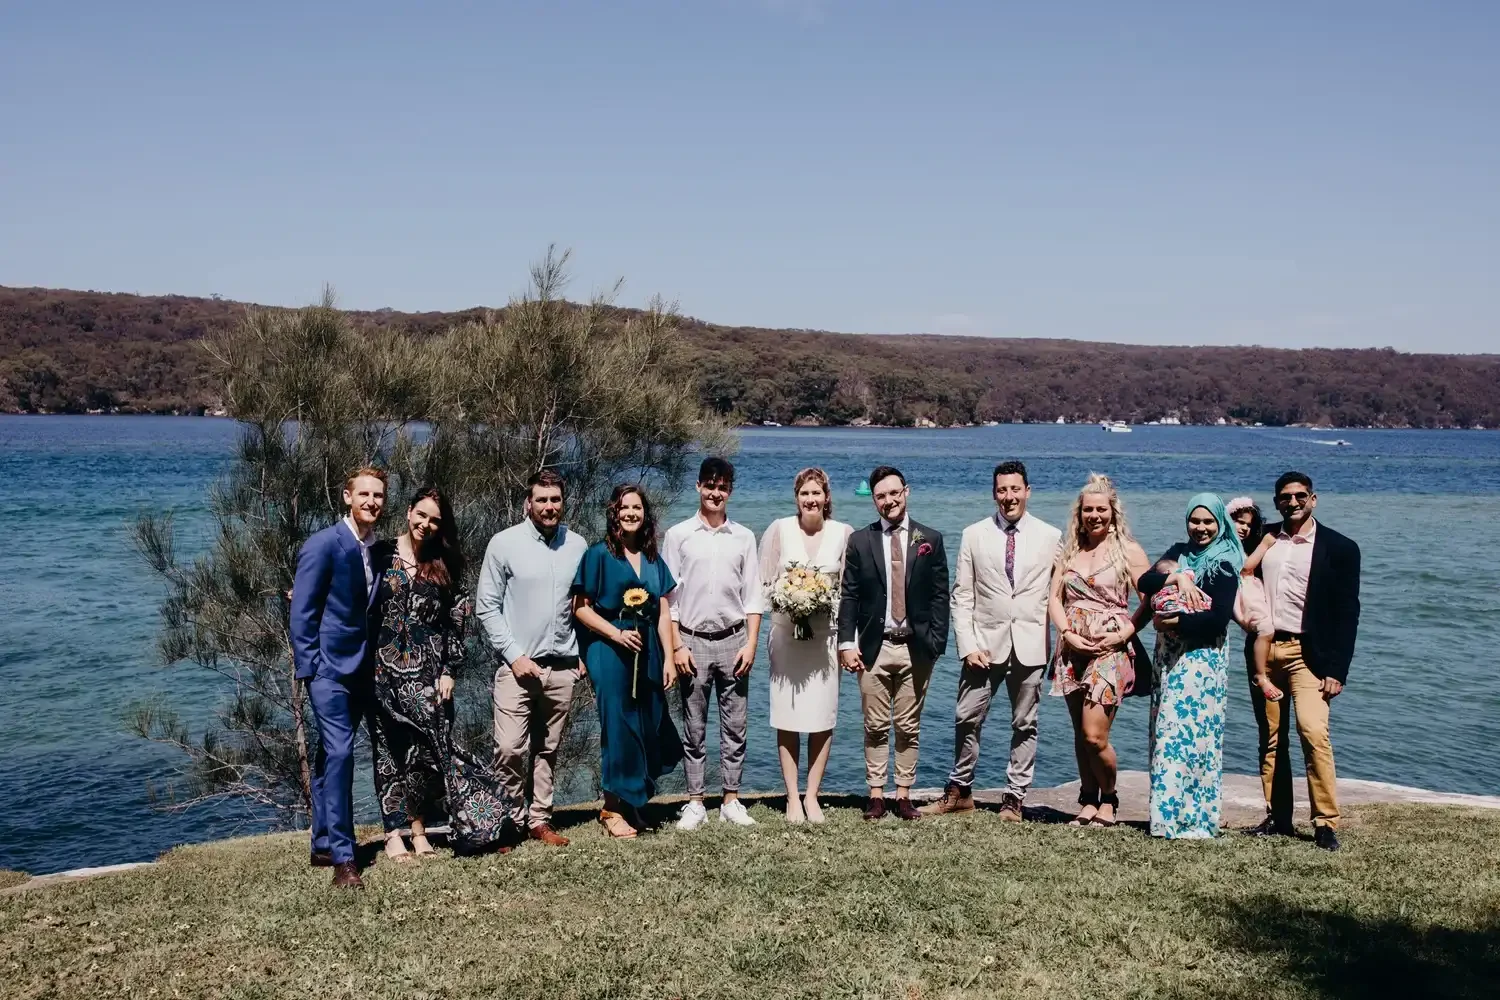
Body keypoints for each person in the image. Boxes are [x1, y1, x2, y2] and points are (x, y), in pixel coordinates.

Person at [370, 486, 515, 860]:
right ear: (408, 512)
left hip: (430, 677)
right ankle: (393, 834)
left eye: (435, 520)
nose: (426, 524)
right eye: (422, 515)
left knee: (432, 753)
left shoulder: (444, 565)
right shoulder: (378, 554)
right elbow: (349, 596)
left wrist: (450, 670)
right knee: (389, 752)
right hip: (382, 674)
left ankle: (424, 829)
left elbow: (458, 620)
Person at [926, 461, 1062, 822]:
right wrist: (967, 644)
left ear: (1027, 491)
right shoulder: (974, 534)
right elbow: (962, 596)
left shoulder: (1051, 537)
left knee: (1024, 724)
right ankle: (960, 790)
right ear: (994, 494)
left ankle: (1014, 797)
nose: (1009, 497)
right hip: (983, 646)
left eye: (1015, 489)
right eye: (1002, 490)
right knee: (966, 717)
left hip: (1030, 644)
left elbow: (1059, 594)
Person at [474, 469, 590, 849]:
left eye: (555, 500)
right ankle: (508, 820)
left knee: (547, 749)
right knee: (509, 747)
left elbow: (582, 605)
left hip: (562, 667)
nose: (548, 506)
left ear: (563, 502)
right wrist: (513, 655)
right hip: (517, 667)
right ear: (529, 503)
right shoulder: (504, 543)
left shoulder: (578, 546)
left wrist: (582, 653)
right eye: (541, 499)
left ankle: (539, 819)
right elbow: (486, 607)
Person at [1250, 471, 1361, 851]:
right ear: (1277, 501)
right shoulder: (1263, 537)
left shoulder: (1341, 548)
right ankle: (1278, 817)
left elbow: (1348, 613)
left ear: (1313, 498)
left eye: (1299, 496)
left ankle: (1325, 823)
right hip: (1265, 653)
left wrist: (1337, 670)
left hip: (1308, 656)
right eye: (1284, 497)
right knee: (1271, 738)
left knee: (1313, 733)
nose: (1292, 503)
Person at [290, 466, 386, 889]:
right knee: (343, 753)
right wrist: (309, 668)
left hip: (363, 670)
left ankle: (323, 842)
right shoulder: (322, 544)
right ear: (347, 497)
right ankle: (345, 862)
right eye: (363, 494)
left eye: (378, 495)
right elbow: (302, 613)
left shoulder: (376, 549)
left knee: (331, 758)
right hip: (328, 671)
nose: (371, 501)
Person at [837, 465, 950, 821]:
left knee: (908, 724)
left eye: (894, 493)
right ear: (874, 501)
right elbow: (850, 596)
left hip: (916, 648)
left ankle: (903, 794)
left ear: (906, 492)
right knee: (874, 725)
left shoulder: (930, 538)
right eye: (881, 496)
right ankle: (876, 794)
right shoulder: (860, 540)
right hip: (873, 647)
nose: (889, 501)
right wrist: (845, 643)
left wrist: (936, 643)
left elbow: (940, 597)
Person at [571, 484, 684, 839]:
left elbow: (663, 610)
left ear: (645, 514)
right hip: (609, 647)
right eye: (624, 508)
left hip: (647, 646)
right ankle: (611, 808)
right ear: (614, 513)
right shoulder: (599, 555)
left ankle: (636, 800)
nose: (631, 513)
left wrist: (669, 657)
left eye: (637, 507)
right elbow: (581, 609)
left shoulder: (652, 559)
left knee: (649, 721)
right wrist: (615, 634)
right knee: (618, 725)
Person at [662, 457, 764, 831]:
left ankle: (731, 800)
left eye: (722, 487)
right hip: (691, 641)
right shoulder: (678, 535)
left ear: (730, 491)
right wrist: (676, 647)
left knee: (735, 725)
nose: (715, 493)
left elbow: (753, 596)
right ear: (698, 487)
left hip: (734, 640)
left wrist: (750, 645)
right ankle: (695, 802)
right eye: (709, 485)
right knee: (694, 725)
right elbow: (668, 598)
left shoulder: (744, 537)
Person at [1046, 474, 1150, 827]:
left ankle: (1110, 797)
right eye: (1088, 509)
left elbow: (1150, 599)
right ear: (1080, 513)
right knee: (1079, 731)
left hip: (1110, 648)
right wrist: (1065, 633)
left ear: (1113, 512)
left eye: (1101, 509)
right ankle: (1088, 800)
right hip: (1072, 646)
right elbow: (1054, 600)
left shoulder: (1128, 551)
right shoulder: (1070, 549)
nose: (1094, 516)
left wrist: (1126, 632)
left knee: (1095, 734)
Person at [1138, 493, 1243, 839]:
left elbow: (1218, 620)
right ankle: (1165, 818)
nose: (1200, 528)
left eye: (1208, 522)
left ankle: (1193, 819)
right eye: (1195, 521)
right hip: (1168, 661)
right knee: (1166, 735)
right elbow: (1144, 582)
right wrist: (1179, 578)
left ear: (1220, 523)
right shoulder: (1178, 554)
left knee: (1193, 740)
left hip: (1201, 664)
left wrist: (1176, 623)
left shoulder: (1225, 562)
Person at [760, 467, 852, 824]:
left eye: (817, 493)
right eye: (804, 494)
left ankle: (812, 795)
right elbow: (764, 583)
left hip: (824, 641)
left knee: (821, 718)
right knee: (788, 715)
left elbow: (849, 592)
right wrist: (787, 600)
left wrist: (847, 640)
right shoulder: (779, 530)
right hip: (785, 638)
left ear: (827, 497)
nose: (811, 499)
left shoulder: (843, 534)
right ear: (796, 497)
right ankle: (792, 797)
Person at [1227, 497, 1280, 703]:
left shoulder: (1234, 544)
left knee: (1265, 629)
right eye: (1240, 522)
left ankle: (1261, 672)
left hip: (1249, 589)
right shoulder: (1228, 546)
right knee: (1265, 629)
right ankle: (1261, 674)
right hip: (1245, 591)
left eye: (1248, 525)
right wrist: (1265, 544)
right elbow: (1246, 567)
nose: (1244, 528)